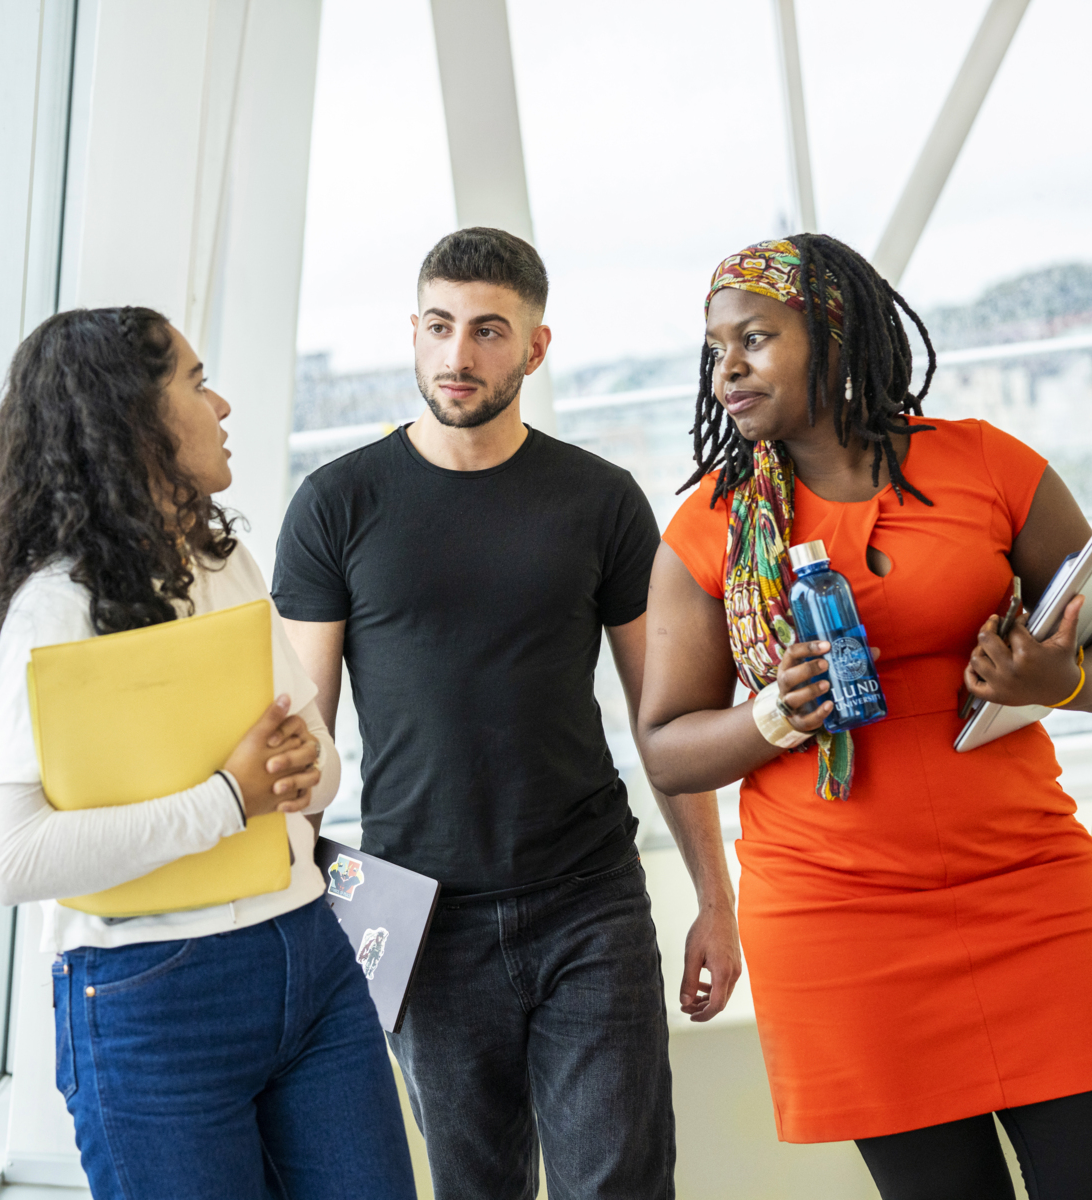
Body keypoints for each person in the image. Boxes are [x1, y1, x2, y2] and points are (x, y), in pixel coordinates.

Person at [636, 235, 1092, 1200]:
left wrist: (1059, 679)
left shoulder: (987, 465)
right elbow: (667, 750)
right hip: (842, 925)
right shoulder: (708, 528)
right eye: (716, 349)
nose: (728, 370)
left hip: (1032, 892)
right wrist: (773, 718)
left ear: (835, 332)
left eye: (755, 337)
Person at [274, 227, 741, 1199]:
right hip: (418, 911)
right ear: (412, 332)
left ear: (535, 347)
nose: (457, 355)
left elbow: (665, 722)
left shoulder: (601, 501)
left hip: (589, 902)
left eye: (489, 331)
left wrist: (716, 900)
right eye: (439, 327)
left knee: (618, 1185)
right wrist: (289, 929)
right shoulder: (335, 504)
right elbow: (305, 747)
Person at [0, 306, 418, 1200]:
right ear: (131, 417)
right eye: (196, 382)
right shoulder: (57, 606)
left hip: (308, 956)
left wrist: (298, 770)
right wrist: (227, 797)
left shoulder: (225, 559)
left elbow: (323, 764)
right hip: (154, 1000)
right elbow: (15, 860)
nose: (223, 405)